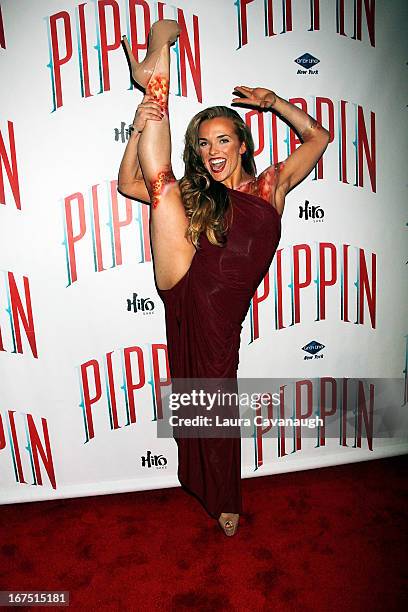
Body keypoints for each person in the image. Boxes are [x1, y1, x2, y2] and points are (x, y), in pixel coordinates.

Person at [118, 19, 330, 536]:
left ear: (241, 144)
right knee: (164, 186)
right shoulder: (198, 193)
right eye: (203, 143)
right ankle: (157, 74)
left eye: (222, 140)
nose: (213, 151)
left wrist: (273, 101)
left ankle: (153, 67)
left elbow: (319, 136)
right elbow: (129, 183)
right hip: (184, 281)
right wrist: (140, 126)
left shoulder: (269, 187)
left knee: (215, 389)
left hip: (220, 313)